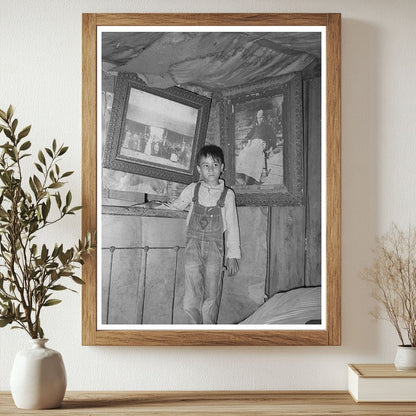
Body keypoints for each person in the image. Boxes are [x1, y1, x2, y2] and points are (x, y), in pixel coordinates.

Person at [150, 145, 241, 324]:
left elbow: (232, 226)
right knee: (192, 292)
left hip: (216, 249)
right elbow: (176, 206)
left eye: (215, 164)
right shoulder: (193, 189)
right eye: (206, 165)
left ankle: (208, 329)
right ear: (199, 169)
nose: (211, 169)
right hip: (192, 247)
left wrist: (233, 256)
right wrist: (155, 206)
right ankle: (194, 327)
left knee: (212, 292)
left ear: (222, 167)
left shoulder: (228, 195)